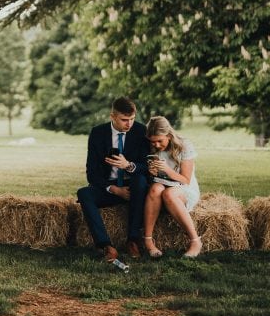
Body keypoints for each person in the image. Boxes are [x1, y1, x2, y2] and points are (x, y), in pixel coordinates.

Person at [76, 96, 151, 263]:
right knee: (84, 194)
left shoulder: (141, 131)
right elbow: (92, 172)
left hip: (134, 188)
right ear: (112, 116)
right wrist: (115, 190)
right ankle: (106, 245)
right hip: (109, 187)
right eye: (124, 120)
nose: (129, 124)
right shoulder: (98, 133)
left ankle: (133, 240)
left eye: (132, 119)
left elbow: (147, 167)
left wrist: (128, 165)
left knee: (140, 181)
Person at [142, 115, 202, 258]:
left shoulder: (184, 145)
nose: (156, 145)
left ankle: (195, 241)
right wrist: (151, 172)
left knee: (169, 193)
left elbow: (185, 179)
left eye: (159, 141)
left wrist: (167, 170)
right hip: (162, 186)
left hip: (184, 188)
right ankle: (148, 240)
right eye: (153, 142)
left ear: (168, 135)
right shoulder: (152, 147)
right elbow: (153, 180)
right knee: (155, 189)